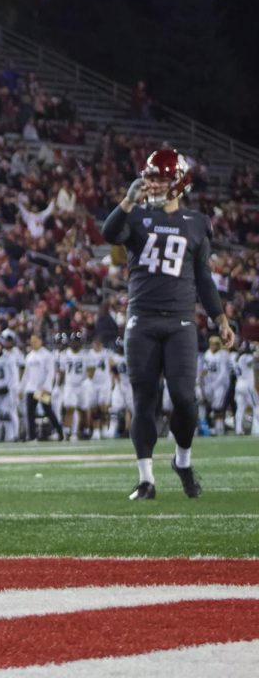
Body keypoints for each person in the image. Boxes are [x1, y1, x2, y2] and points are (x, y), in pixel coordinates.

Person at [101, 147, 233, 500]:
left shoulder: (196, 223)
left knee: (185, 399)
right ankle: (146, 480)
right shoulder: (135, 217)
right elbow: (109, 234)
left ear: (179, 182)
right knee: (144, 400)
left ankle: (182, 461)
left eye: (162, 178)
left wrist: (220, 318)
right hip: (141, 319)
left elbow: (204, 278)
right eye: (152, 176)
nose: (154, 184)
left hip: (180, 322)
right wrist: (127, 201)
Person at [22, 334, 63, 440]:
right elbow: (26, 374)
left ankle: (59, 431)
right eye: (32, 341)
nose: (33, 343)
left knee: (48, 411)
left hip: (42, 389)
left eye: (35, 341)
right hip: (31, 388)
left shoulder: (47, 355)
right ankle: (31, 436)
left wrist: (46, 387)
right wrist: (22, 387)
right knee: (30, 413)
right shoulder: (29, 356)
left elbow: (50, 373)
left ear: (40, 341)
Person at [199, 335, 232, 437]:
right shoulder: (207, 354)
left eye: (214, 344)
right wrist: (202, 379)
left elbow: (223, 373)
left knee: (218, 406)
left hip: (221, 383)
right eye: (211, 344)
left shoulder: (223, 354)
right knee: (210, 405)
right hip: (209, 383)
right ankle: (212, 427)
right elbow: (205, 369)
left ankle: (219, 428)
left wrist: (215, 384)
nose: (212, 346)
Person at [233, 340, 257, 436]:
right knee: (256, 406)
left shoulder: (236, 357)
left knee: (240, 409)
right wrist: (255, 350)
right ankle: (256, 429)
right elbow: (254, 359)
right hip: (248, 385)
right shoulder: (246, 357)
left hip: (239, 385)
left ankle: (238, 429)